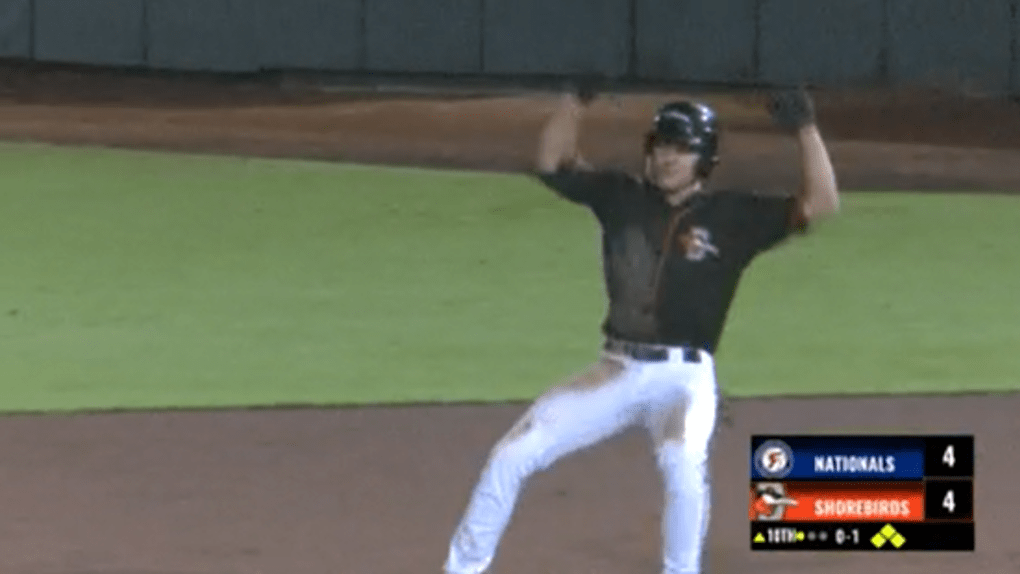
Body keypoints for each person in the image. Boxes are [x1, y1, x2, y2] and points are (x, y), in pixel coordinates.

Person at [442, 87, 839, 574]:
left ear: (705, 158)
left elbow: (821, 202)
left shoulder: (735, 218)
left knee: (682, 466)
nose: (667, 157)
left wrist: (805, 130)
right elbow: (551, 161)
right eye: (661, 145)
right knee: (511, 455)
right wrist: (575, 101)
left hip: (683, 382)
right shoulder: (621, 196)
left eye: (682, 148)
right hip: (616, 369)